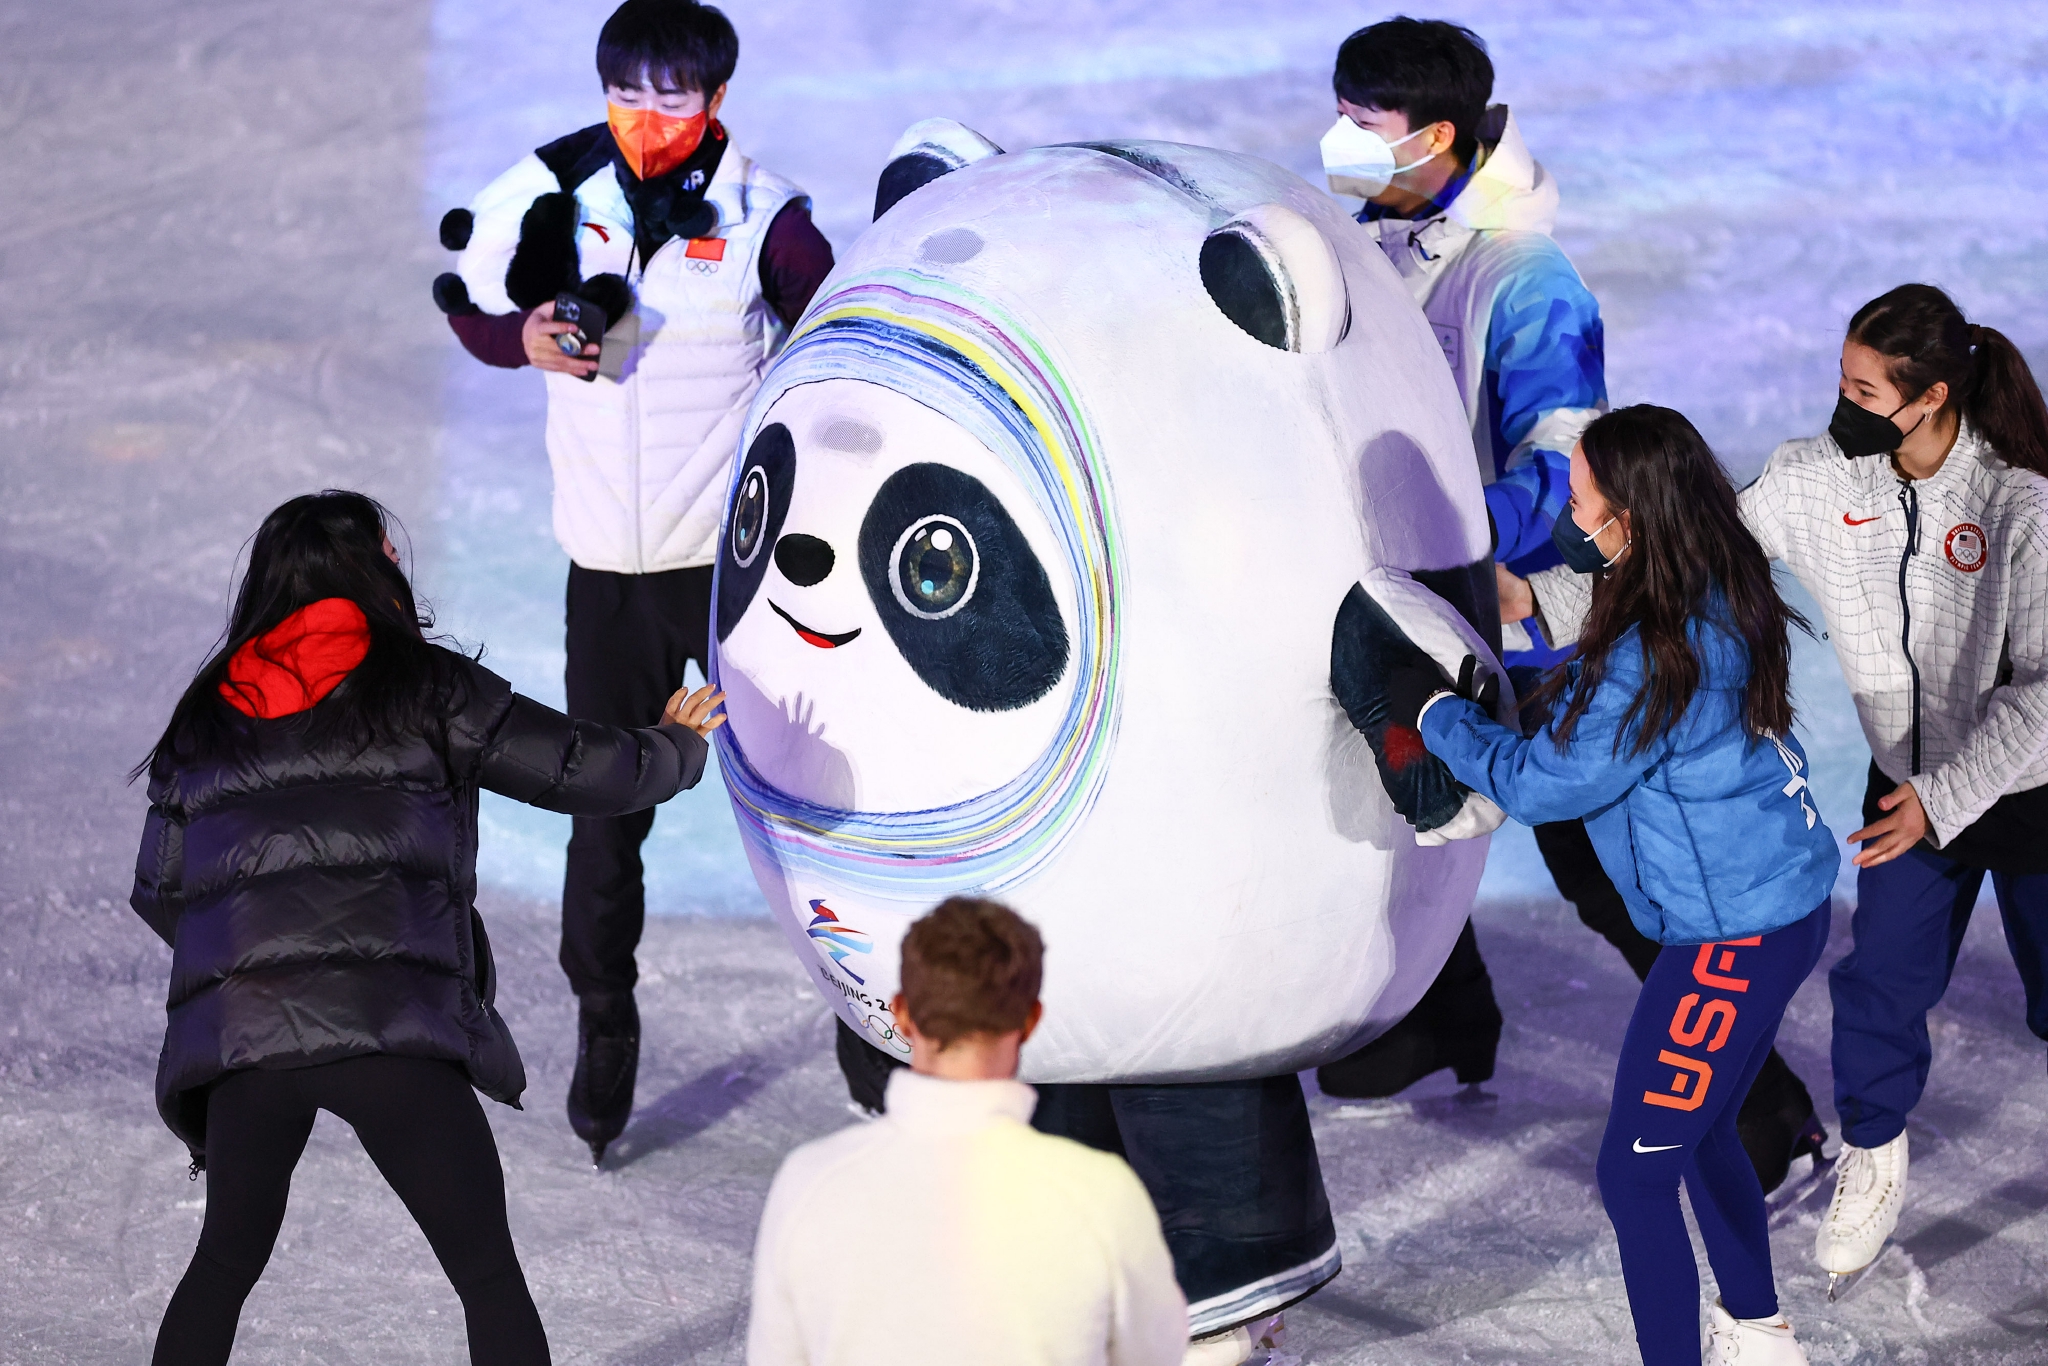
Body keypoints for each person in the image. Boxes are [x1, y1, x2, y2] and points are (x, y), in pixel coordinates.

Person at [1313, 15, 1828, 1194]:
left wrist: (1438, 545)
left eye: (1362, 122)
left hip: (1526, 612)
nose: (1338, 138)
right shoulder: (1380, 239)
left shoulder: (1525, 280)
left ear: (1436, 137)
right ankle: (1441, 1019)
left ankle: (1769, 1119)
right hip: (1428, 589)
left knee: (1603, 873)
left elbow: (1558, 468)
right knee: (1402, 797)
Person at [1517, 285, 2048, 1293]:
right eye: (1836, 379)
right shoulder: (1814, 480)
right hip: (1907, 797)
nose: (1837, 404)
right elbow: (1691, 561)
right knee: (1876, 983)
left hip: (2029, 791)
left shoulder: (2018, 508)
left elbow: (2044, 692)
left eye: (1860, 388)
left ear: (1929, 396)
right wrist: (1539, 598)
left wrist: (1950, 793)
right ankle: (1874, 1150)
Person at [131, 491, 728, 1366]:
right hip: (390, 1028)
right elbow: (572, 767)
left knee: (222, 1262)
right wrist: (672, 749)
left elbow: (161, 890)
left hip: (247, 1040)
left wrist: (256, 958)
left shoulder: (207, 714)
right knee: (486, 1276)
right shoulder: (422, 686)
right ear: (374, 571)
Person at [433, 0, 835, 1163]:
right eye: (627, 92)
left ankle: (868, 1013)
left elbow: (841, 332)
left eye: (672, 97)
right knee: (604, 814)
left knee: (802, 797)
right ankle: (605, 1024)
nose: (646, 118)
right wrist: (521, 343)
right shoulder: (547, 187)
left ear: (714, 100)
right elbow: (476, 303)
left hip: (731, 571)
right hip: (605, 573)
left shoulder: (770, 213)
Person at [1407, 406, 1839, 1365]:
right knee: (1709, 1128)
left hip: (1731, 942)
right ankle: (1761, 1335)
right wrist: (1512, 610)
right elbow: (1604, 636)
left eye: (1580, 496)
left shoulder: (1656, 657)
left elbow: (1539, 782)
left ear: (1630, 518)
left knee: (1635, 1175)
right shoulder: (1718, 577)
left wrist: (1437, 719)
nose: (1567, 509)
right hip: (1784, 904)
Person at [745, 898, 1186, 1366]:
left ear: (901, 1011)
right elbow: (1154, 1354)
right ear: (1031, 1020)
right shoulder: (1101, 1193)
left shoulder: (810, 1181)